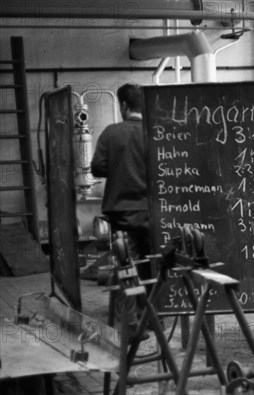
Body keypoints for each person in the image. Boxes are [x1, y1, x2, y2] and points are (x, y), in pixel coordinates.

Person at [91, 83, 150, 339]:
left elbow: (97, 168)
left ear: (123, 106)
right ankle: (152, 318)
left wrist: (119, 164)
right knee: (152, 267)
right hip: (152, 214)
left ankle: (130, 325)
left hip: (122, 215)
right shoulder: (155, 132)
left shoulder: (111, 133)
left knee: (127, 265)